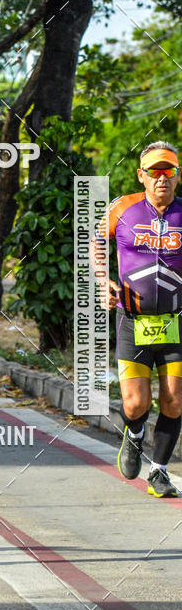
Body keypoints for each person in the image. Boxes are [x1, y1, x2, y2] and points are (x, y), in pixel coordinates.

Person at [92, 141, 182, 498]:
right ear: (141, 175)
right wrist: (103, 281)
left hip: (175, 321)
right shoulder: (123, 208)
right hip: (132, 320)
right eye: (155, 171)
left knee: (174, 399)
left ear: (177, 176)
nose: (162, 178)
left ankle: (158, 471)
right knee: (135, 403)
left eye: (169, 171)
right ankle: (134, 434)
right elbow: (96, 241)